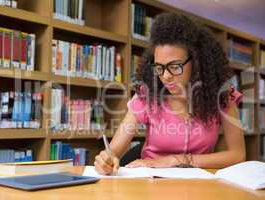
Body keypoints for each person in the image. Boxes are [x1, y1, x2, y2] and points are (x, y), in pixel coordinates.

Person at [94, 13, 245, 175]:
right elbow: (114, 150)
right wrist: (106, 159)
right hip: (150, 182)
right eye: (159, 67)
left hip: (198, 184)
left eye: (175, 66)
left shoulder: (222, 96)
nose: (165, 76)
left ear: (196, 61)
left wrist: (176, 160)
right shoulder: (147, 96)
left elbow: (237, 155)